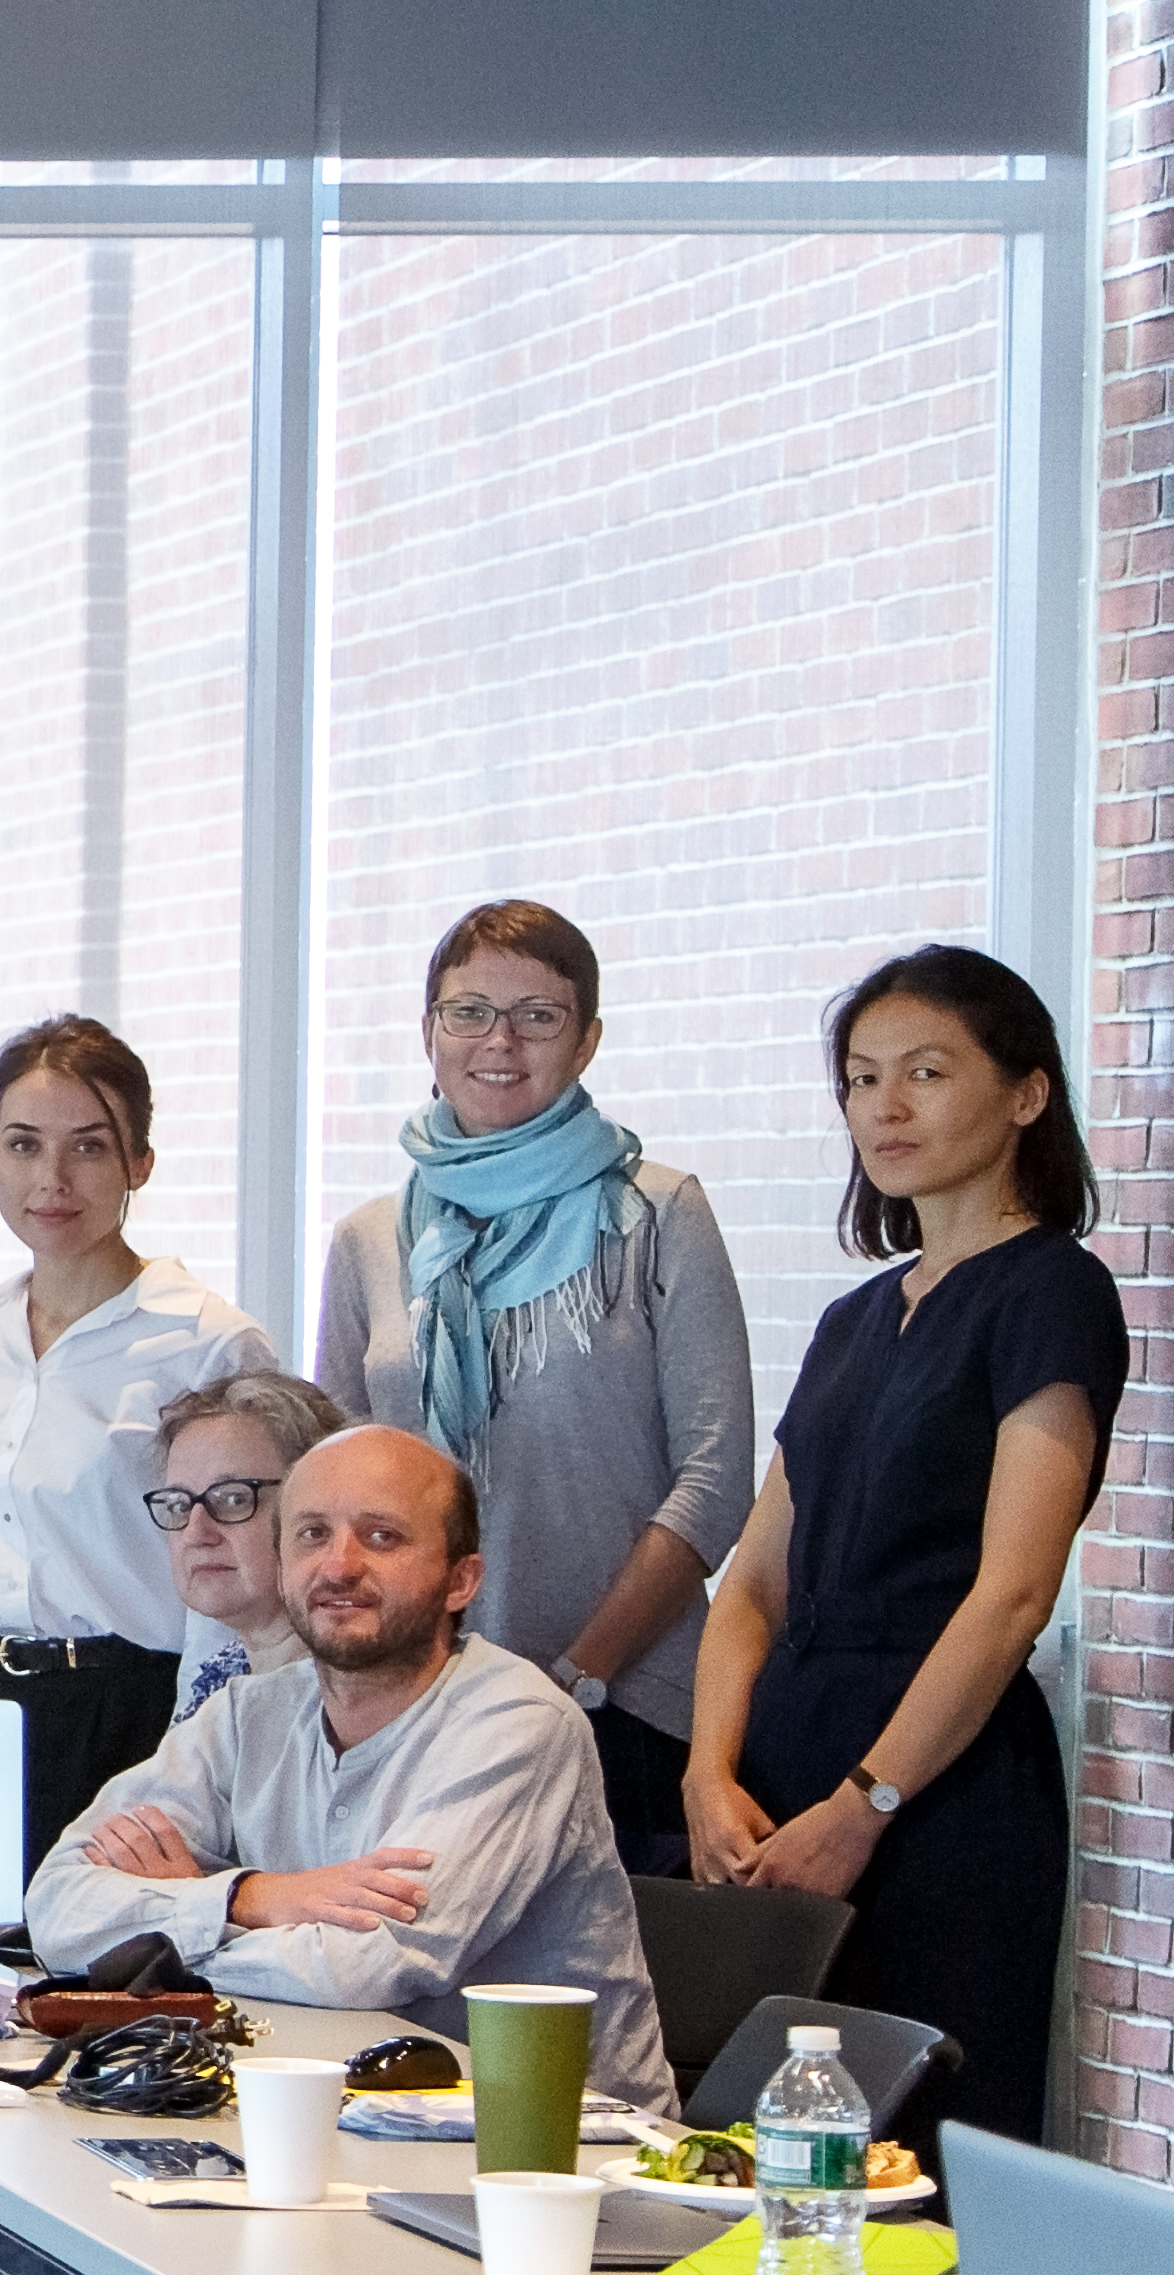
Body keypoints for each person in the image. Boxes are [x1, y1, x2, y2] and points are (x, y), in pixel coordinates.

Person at [689, 947, 1121, 2146]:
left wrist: (868, 1800)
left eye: (925, 1073)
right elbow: (753, 1585)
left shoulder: (1052, 1291)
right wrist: (707, 1773)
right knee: (753, 2154)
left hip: (937, 1792)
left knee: (918, 2167)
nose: (885, 1106)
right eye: (862, 1079)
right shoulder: (854, 1317)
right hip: (783, 1777)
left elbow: (1012, 1594)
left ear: (1026, 1093)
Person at [22, 1428, 679, 2109]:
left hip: (553, 2151)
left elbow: (368, 1967)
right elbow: (55, 1906)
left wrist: (161, 1945)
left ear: (461, 1581)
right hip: (333, 2112)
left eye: (382, 1537)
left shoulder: (518, 1723)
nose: (339, 1566)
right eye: (310, 1535)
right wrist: (254, 1896)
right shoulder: (246, 1715)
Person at [317, 900, 755, 1871]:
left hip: (622, 1714)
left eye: (538, 1016)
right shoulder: (369, 1241)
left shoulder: (658, 1216)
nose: (499, 1041)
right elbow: (337, 1490)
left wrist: (575, 1678)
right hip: (416, 1714)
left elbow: (717, 1482)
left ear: (588, 1040)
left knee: (603, 2016)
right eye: (468, 1011)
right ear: (428, 1031)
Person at [0, 1018, 280, 1843]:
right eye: (25, 1145)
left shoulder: (207, 1340)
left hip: (127, 1713)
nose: (52, 1180)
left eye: (89, 1147)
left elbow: (244, 1588)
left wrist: (198, 1758)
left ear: (139, 1163)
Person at [143, 1366, 351, 1724]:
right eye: (179, 1504)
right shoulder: (222, 1675)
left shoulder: (354, 1697)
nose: (196, 1532)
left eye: (233, 1499)